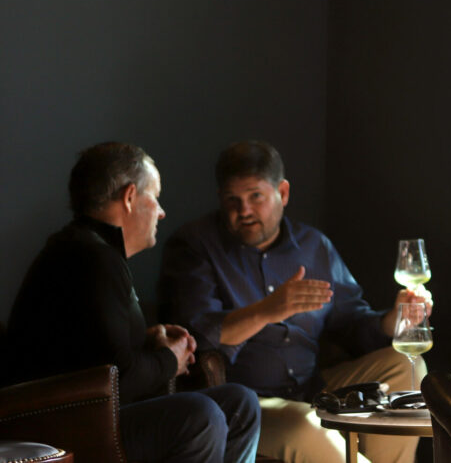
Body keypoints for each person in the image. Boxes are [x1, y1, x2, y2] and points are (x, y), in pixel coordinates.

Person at [158, 141, 428, 463]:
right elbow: (198, 337)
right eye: (232, 199)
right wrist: (267, 310)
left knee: (404, 367)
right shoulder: (194, 247)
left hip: (315, 389)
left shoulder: (314, 246)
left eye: (255, 196)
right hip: (246, 403)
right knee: (305, 425)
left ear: (282, 193)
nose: (243, 210)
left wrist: (393, 320)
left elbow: (352, 324)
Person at [1, 142, 260, 463]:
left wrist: (148, 340)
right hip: (54, 423)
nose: (161, 211)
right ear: (129, 197)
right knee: (200, 415)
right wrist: (170, 358)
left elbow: (92, 352)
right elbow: (117, 375)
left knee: (240, 403)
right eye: (155, 196)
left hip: (89, 411)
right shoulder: (91, 257)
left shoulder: (89, 251)